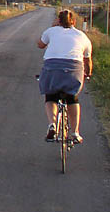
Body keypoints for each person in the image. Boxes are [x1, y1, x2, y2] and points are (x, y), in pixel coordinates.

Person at [37, 9, 92, 143]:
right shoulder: (82, 36)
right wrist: (88, 73)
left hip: (52, 68)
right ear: (74, 21)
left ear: (58, 20)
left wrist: (53, 27)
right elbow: (87, 60)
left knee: (51, 96)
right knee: (72, 98)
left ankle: (52, 124)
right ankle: (75, 132)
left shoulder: (51, 31)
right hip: (74, 69)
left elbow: (40, 45)